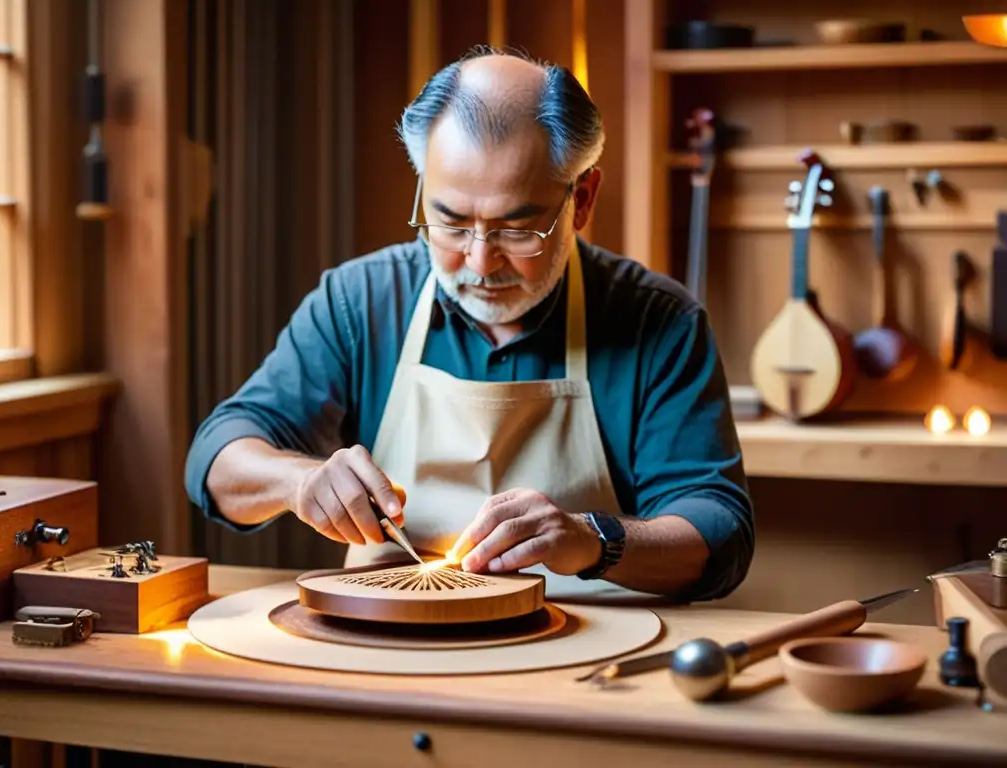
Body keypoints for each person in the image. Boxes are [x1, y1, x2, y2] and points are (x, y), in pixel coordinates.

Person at [184, 46, 754, 601]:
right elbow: (217, 460)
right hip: (392, 647)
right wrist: (300, 481)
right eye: (450, 223)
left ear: (581, 200)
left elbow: (718, 531)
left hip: (592, 658)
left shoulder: (659, 321)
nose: (480, 262)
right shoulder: (361, 302)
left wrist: (592, 540)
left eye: (516, 229)